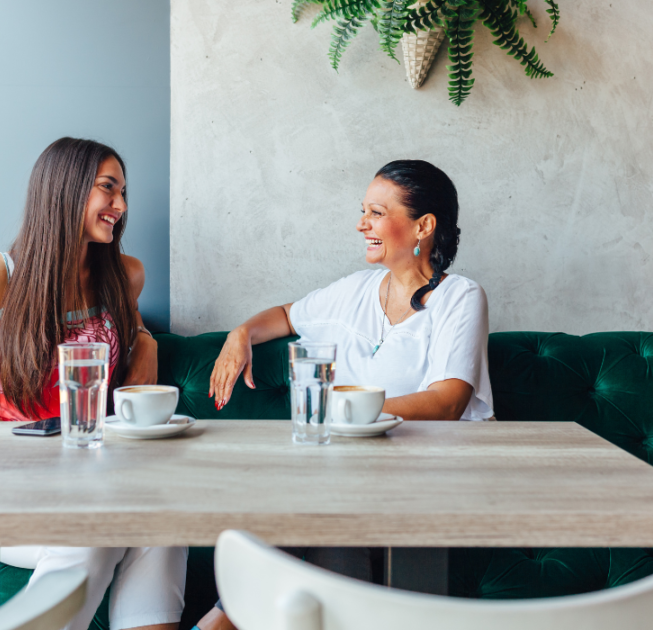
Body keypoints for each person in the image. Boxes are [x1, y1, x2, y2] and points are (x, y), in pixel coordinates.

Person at [196, 159, 494, 630]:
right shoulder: (353, 291)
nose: (362, 224)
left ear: (424, 225)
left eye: (376, 212)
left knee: (321, 507)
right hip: (350, 482)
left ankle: (221, 618)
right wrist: (240, 334)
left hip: (431, 481)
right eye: (363, 211)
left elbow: (447, 403)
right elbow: (285, 317)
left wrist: (336, 410)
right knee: (330, 525)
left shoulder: (459, 297)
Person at [0, 137, 186, 630]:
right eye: (108, 190)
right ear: (65, 190)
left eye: (124, 193)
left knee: (164, 519)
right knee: (96, 529)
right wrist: (47, 459)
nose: (121, 206)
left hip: (92, 476)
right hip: (2, 479)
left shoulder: (124, 274)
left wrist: (146, 341)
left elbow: (132, 324)